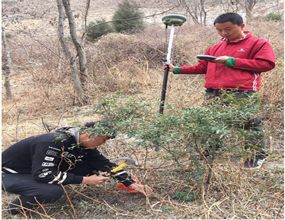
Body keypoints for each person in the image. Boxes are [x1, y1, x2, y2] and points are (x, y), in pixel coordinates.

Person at [163, 12, 275, 168]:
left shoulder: (258, 44)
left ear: (241, 26)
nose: (224, 33)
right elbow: (202, 67)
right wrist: (176, 69)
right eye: (219, 30)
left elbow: (266, 64)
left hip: (242, 91)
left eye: (228, 29)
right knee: (210, 122)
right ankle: (212, 149)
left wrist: (230, 61)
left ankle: (257, 155)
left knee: (248, 123)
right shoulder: (215, 48)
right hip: (213, 91)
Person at [2, 120, 153, 215]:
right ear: (90, 134)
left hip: (31, 171)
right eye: (103, 139)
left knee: (86, 166)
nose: (104, 143)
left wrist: (131, 183)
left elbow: (106, 165)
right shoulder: (53, 142)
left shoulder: (83, 146)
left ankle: (30, 191)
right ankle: (15, 209)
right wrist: (85, 180)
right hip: (8, 173)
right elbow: (42, 174)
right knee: (52, 190)